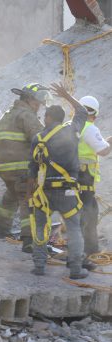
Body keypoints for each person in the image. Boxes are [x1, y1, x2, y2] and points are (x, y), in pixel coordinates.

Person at [28, 83, 89, 279]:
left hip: (44, 191)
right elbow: (82, 112)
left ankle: (39, 266)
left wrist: (31, 193)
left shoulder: (38, 138)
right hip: (69, 190)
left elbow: (33, 168)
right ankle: (76, 270)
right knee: (73, 227)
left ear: (47, 118)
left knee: (39, 225)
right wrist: (67, 96)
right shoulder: (71, 130)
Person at [0, 83, 49, 252]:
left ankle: (0, 229)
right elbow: (41, 137)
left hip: (3, 167)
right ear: (30, 100)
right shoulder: (26, 115)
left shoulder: (8, 114)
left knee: (12, 194)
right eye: (38, 103)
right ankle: (29, 239)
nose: (38, 107)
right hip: (20, 166)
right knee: (27, 198)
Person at [75, 96, 111, 256]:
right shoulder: (90, 128)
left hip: (71, 178)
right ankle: (89, 251)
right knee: (90, 215)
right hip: (85, 181)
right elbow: (103, 151)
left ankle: (79, 248)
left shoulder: (72, 126)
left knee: (76, 215)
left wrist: (106, 141)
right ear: (95, 114)